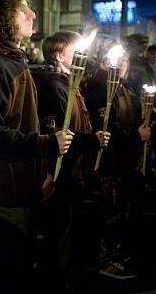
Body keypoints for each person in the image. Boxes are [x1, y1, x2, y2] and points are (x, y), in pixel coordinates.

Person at [0, 0, 74, 293]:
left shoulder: (12, 61)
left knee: (22, 271)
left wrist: (42, 171)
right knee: (5, 276)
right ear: (5, 17)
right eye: (24, 8)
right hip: (3, 196)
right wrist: (46, 144)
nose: (33, 13)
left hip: (21, 190)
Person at [31, 31, 111, 292]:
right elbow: (59, 135)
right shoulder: (55, 86)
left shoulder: (70, 84)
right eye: (76, 49)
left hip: (75, 175)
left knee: (71, 241)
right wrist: (91, 140)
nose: (83, 55)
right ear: (59, 54)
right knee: (59, 244)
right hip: (61, 177)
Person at [82, 51, 151, 280]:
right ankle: (104, 261)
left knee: (119, 211)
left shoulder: (123, 87)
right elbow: (107, 127)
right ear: (104, 63)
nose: (122, 65)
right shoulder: (99, 90)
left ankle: (115, 255)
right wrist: (135, 136)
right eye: (116, 61)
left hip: (123, 162)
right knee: (107, 212)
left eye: (125, 60)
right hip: (107, 162)